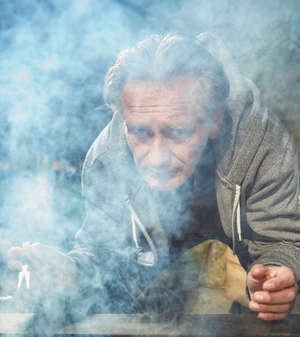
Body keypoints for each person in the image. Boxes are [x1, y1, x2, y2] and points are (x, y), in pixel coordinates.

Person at [7, 32, 300, 321]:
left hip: (242, 220)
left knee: (284, 309)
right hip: (157, 237)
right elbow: (105, 255)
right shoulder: (106, 160)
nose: (158, 158)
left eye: (179, 132)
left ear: (215, 120)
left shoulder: (262, 145)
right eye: (140, 132)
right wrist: (73, 273)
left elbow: (282, 241)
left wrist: (277, 275)